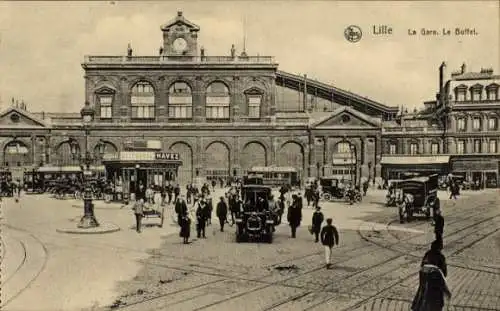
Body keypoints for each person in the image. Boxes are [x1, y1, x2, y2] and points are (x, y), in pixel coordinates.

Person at [412, 240, 451, 311]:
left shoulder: (427, 255)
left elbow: (422, 266)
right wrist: (447, 293)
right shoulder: (440, 258)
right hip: (435, 292)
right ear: (440, 248)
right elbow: (444, 274)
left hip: (424, 289)